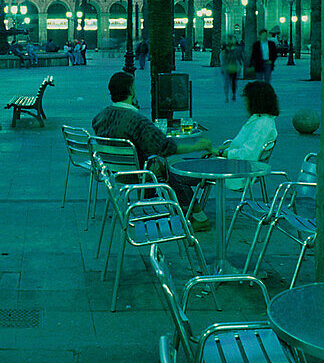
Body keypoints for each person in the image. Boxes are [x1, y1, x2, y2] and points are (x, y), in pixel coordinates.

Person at [92, 71, 215, 230]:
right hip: (140, 174)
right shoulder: (137, 121)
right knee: (171, 168)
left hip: (115, 173)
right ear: (131, 91)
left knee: (165, 164)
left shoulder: (100, 117)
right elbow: (165, 147)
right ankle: (198, 215)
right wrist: (197, 146)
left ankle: (176, 208)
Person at [220, 36, 244, 102]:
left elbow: (240, 59)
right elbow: (223, 60)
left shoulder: (236, 50)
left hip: (234, 68)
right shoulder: (225, 51)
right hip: (227, 68)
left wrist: (240, 66)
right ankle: (227, 96)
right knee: (227, 82)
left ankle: (233, 94)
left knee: (233, 82)